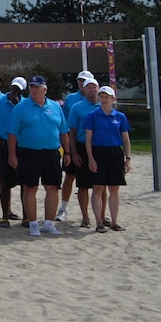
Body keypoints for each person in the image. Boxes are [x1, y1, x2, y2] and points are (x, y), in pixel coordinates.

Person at [6, 75, 70, 237]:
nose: (34, 89)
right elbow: (12, 134)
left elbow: (63, 132)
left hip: (51, 152)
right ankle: (33, 223)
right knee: (30, 187)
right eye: (31, 87)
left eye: (37, 86)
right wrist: (12, 155)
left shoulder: (55, 107)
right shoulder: (20, 108)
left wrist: (67, 152)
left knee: (52, 187)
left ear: (45, 89)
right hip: (28, 152)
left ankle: (49, 223)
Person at [85, 86, 132, 233]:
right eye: (102, 97)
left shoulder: (120, 117)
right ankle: (99, 222)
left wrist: (128, 158)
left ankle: (114, 222)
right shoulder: (92, 116)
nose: (104, 100)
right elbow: (88, 140)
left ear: (113, 99)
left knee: (114, 189)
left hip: (115, 153)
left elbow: (125, 138)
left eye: (107, 97)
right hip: (99, 152)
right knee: (98, 187)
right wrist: (91, 158)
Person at [0, 76, 26, 227]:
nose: (14, 92)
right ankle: (5, 216)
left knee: (25, 181)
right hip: (2, 145)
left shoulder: (25, 104)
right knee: (4, 181)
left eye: (18, 90)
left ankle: (26, 216)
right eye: (13, 88)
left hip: (22, 145)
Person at [57, 70, 95, 221]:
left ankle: (98, 211)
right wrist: (68, 147)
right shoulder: (72, 99)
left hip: (94, 144)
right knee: (70, 176)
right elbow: (66, 122)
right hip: (77, 143)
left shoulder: (99, 99)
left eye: (84, 80)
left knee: (98, 181)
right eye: (80, 80)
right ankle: (63, 208)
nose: (81, 82)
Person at [65, 77, 101, 228]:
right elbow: (71, 132)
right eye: (89, 88)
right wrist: (74, 153)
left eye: (94, 87)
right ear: (84, 90)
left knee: (101, 185)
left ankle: (101, 215)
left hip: (100, 147)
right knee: (83, 185)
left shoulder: (104, 105)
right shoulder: (77, 107)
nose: (92, 90)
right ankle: (85, 217)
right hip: (81, 147)